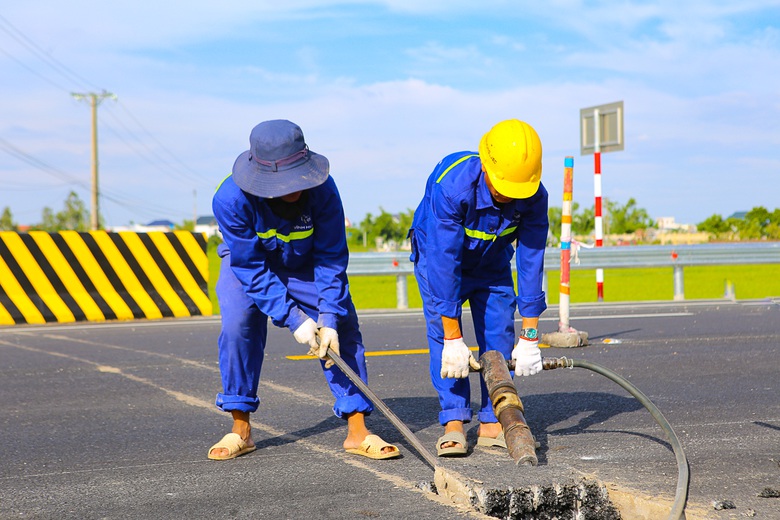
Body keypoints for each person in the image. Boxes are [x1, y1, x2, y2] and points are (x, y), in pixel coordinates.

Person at [208, 119, 400, 461]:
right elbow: (250, 266)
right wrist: (294, 319)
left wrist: (326, 316)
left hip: (308, 264)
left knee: (342, 328)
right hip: (248, 268)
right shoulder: (230, 199)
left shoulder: (323, 190)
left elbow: (330, 259)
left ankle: (358, 430)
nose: (293, 188)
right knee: (238, 325)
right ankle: (241, 428)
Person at [408, 119, 548, 456]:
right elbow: (444, 259)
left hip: (492, 262)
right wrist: (454, 336)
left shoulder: (532, 195)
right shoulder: (452, 186)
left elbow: (531, 259)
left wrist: (530, 335)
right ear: (485, 165)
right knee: (445, 342)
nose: (510, 196)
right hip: (437, 258)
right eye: (504, 187)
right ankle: (453, 422)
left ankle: (491, 421)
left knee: (498, 333)